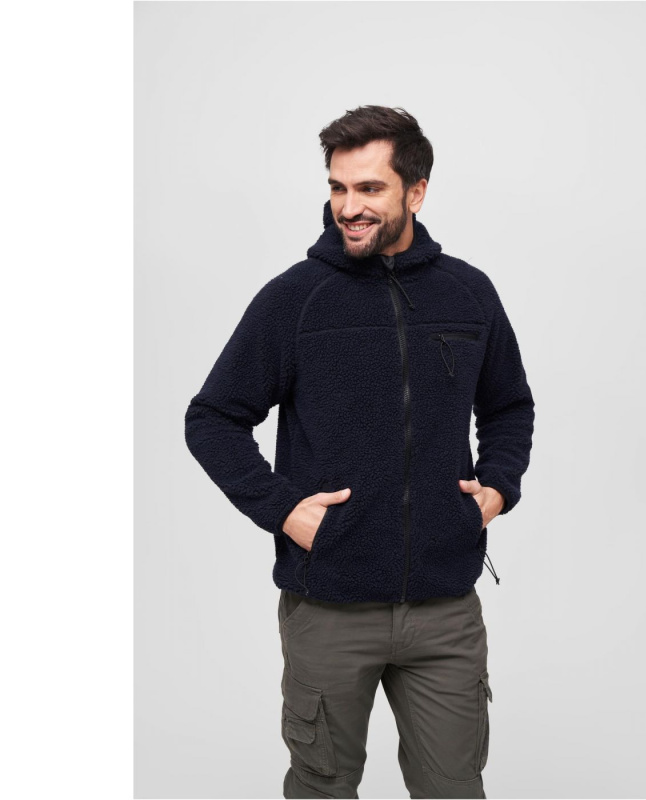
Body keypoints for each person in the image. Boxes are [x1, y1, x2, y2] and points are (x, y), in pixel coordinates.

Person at [184, 105, 535, 799]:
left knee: (455, 789)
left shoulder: (468, 293)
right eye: (338, 188)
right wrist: (284, 510)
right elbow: (213, 418)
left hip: (445, 608)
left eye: (370, 188)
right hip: (329, 607)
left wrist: (497, 485)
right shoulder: (295, 300)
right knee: (322, 788)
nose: (349, 207)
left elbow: (508, 405)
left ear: (416, 191)